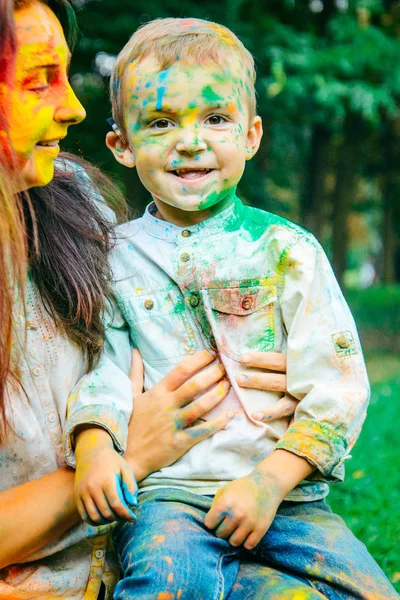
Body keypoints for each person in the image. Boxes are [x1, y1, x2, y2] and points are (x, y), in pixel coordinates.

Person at [69, 17, 398, 600]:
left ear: (251, 134)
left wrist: (270, 483)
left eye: (216, 119)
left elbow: (339, 384)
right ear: (121, 144)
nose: (191, 141)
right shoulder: (112, 259)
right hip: (169, 498)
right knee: (164, 586)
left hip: (287, 495)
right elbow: (104, 372)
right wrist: (95, 446)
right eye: (161, 122)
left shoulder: (284, 251)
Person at [0, 2, 300, 598]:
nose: (73, 107)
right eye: (39, 80)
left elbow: (141, 329)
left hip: (181, 531)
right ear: (125, 143)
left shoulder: (74, 201)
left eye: (217, 119)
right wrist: (127, 454)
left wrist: (274, 376)